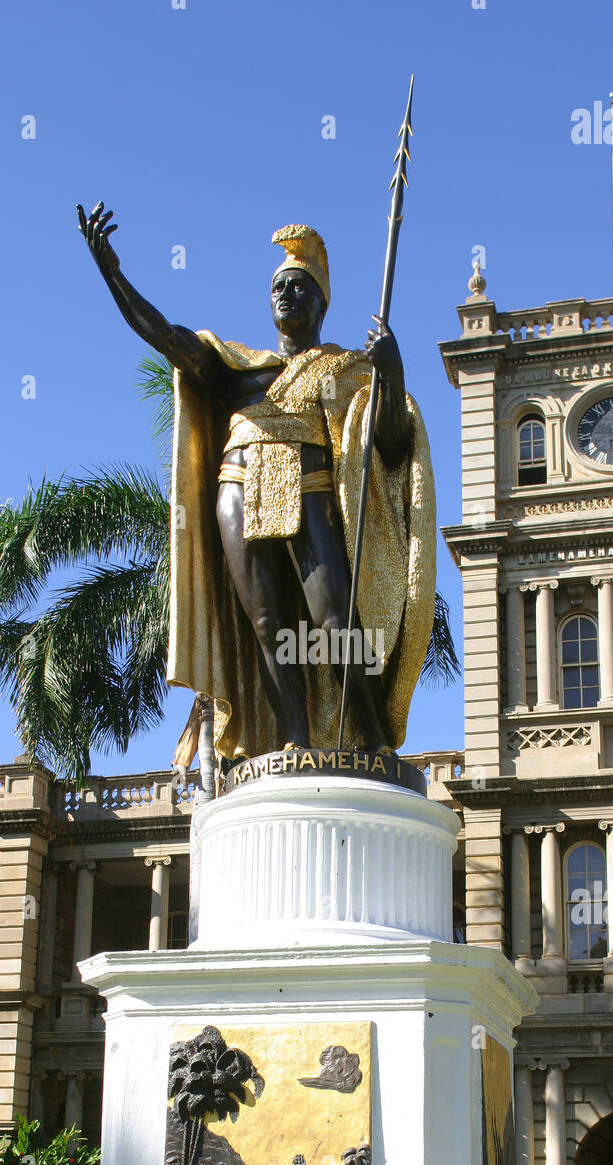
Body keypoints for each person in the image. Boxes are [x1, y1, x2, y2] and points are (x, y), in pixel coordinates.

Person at [77, 203, 435, 758]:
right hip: (238, 486)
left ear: (321, 303)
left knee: (334, 621)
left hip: (311, 483)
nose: (286, 295)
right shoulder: (238, 366)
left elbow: (389, 444)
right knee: (267, 626)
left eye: (299, 287)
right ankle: (294, 739)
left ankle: (377, 742)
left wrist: (391, 370)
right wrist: (112, 275)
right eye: (278, 288)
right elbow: (167, 337)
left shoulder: (345, 368)